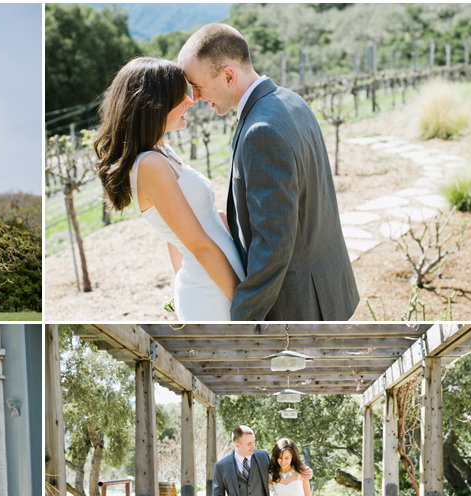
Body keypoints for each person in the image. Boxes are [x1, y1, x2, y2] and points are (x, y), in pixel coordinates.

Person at [178, 23, 360, 321]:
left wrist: (241, 317)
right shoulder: (290, 100)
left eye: (196, 85)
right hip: (329, 290)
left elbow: (274, 244)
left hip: (301, 307)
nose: (194, 97)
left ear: (227, 76)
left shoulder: (261, 131)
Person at [94, 57, 245, 321]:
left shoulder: (161, 150)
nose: (190, 101)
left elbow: (175, 236)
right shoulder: (150, 164)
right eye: (180, 96)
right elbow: (199, 245)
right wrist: (246, 303)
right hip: (213, 293)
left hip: (217, 284)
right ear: (154, 105)